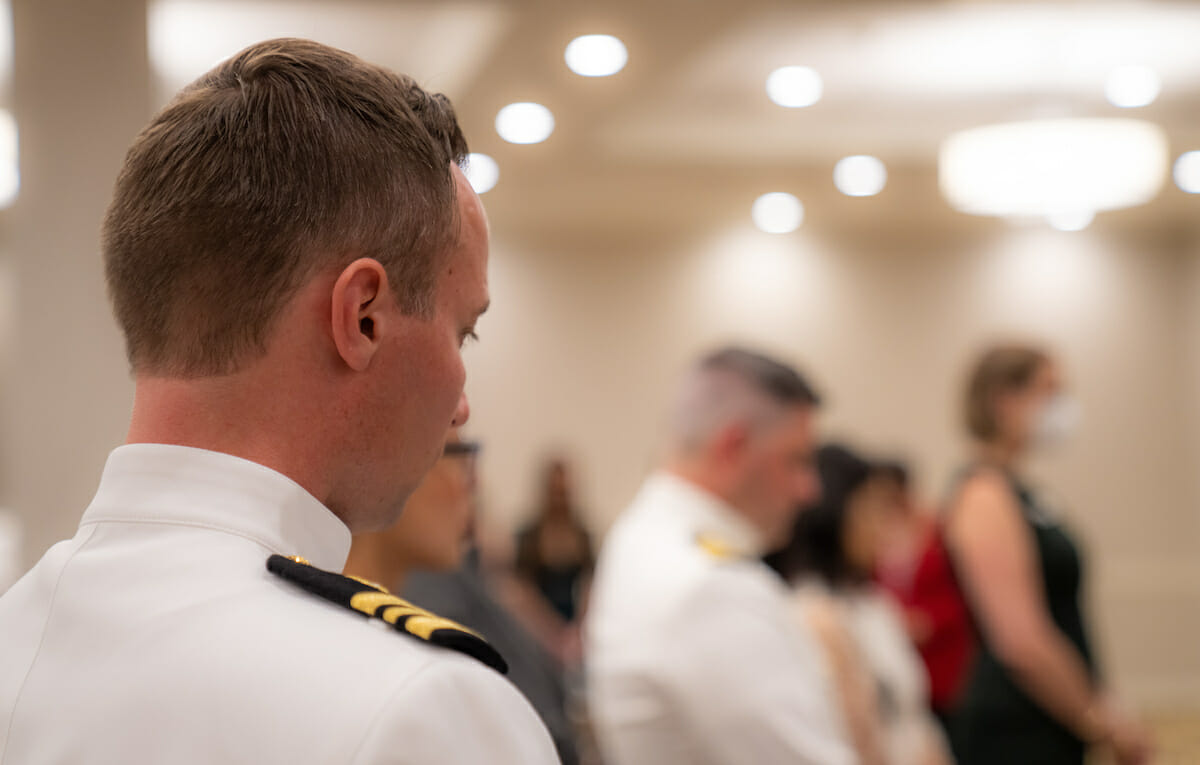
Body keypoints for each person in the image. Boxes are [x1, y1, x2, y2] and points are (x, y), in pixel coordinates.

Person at [0, 38, 557, 764]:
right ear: (363, 315)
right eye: (463, 330)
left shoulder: (15, 631)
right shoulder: (420, 707)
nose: (461, 409)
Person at [585, 347, 856, 765]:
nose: (810, 489)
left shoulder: (646, 536)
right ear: (734, 446)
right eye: (797, 460)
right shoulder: (709, 587)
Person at [945, 344, 1150, 765]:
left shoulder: (1024, 492)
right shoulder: (983, 495)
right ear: (1005, 399)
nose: (1063, 407)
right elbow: (1021, 641)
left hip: (1050, 719)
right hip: (1015, 727)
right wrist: (1098, 719)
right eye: (1050, 391)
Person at [346, 430, 582, 764]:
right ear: (382, 469)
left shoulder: (464, 586)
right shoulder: (436, 610)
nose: (471, 486)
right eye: (457, 457)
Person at [769, 445, 953, 765]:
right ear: (835, 515)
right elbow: (859, 742)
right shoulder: (813, 612)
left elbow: (913, 716)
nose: (881, 526)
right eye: (869, 511)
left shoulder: (871, 602)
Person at [873, 462, 973, 733]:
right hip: (899, 654)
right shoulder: (871, 535)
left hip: (943, 656)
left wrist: (929, 620)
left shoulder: (938, 530)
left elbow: (963, 591)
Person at [512, 457, 595, 664]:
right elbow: (522, 591)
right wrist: (549, 630)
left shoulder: (582, 536)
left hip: (575, 633)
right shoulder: (529, 537)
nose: (560, 499)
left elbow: (589, 584)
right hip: (538, 630)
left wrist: (577, 630)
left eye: (563, 493)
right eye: (555, 492)